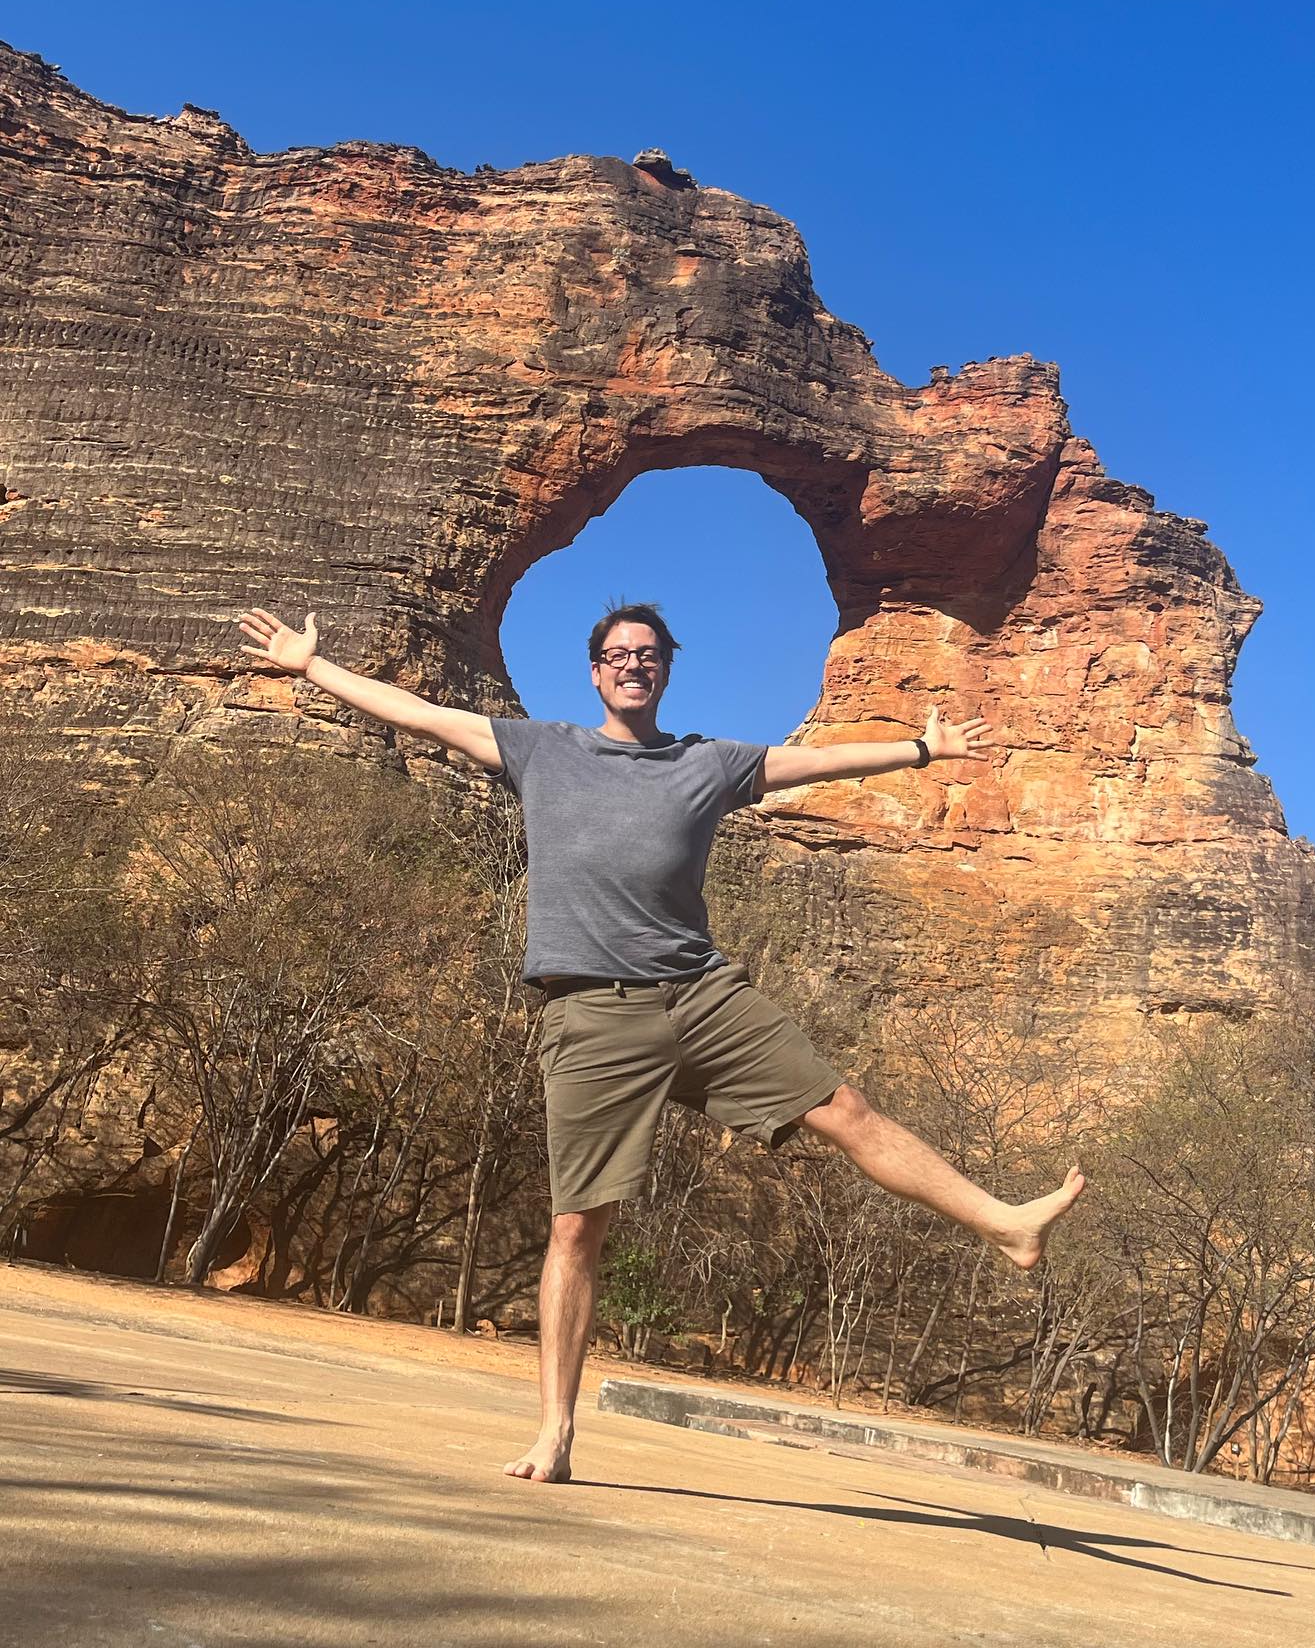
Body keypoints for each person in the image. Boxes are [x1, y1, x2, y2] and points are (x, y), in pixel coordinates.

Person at [236, 599, 1085, 1484]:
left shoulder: (705, 763)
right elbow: (419, 713)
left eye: (648, 654)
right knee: (576, 1226)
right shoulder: (543, 750)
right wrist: (311, 669)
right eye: (617, 654)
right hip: (593, 1013)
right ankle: (555, 1434)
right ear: (596, 671)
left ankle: (1004, 1222)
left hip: (703, 995)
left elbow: (810, 763)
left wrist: (919, 749)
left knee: (844, 1106)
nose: (633, 665)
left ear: (666, 669)